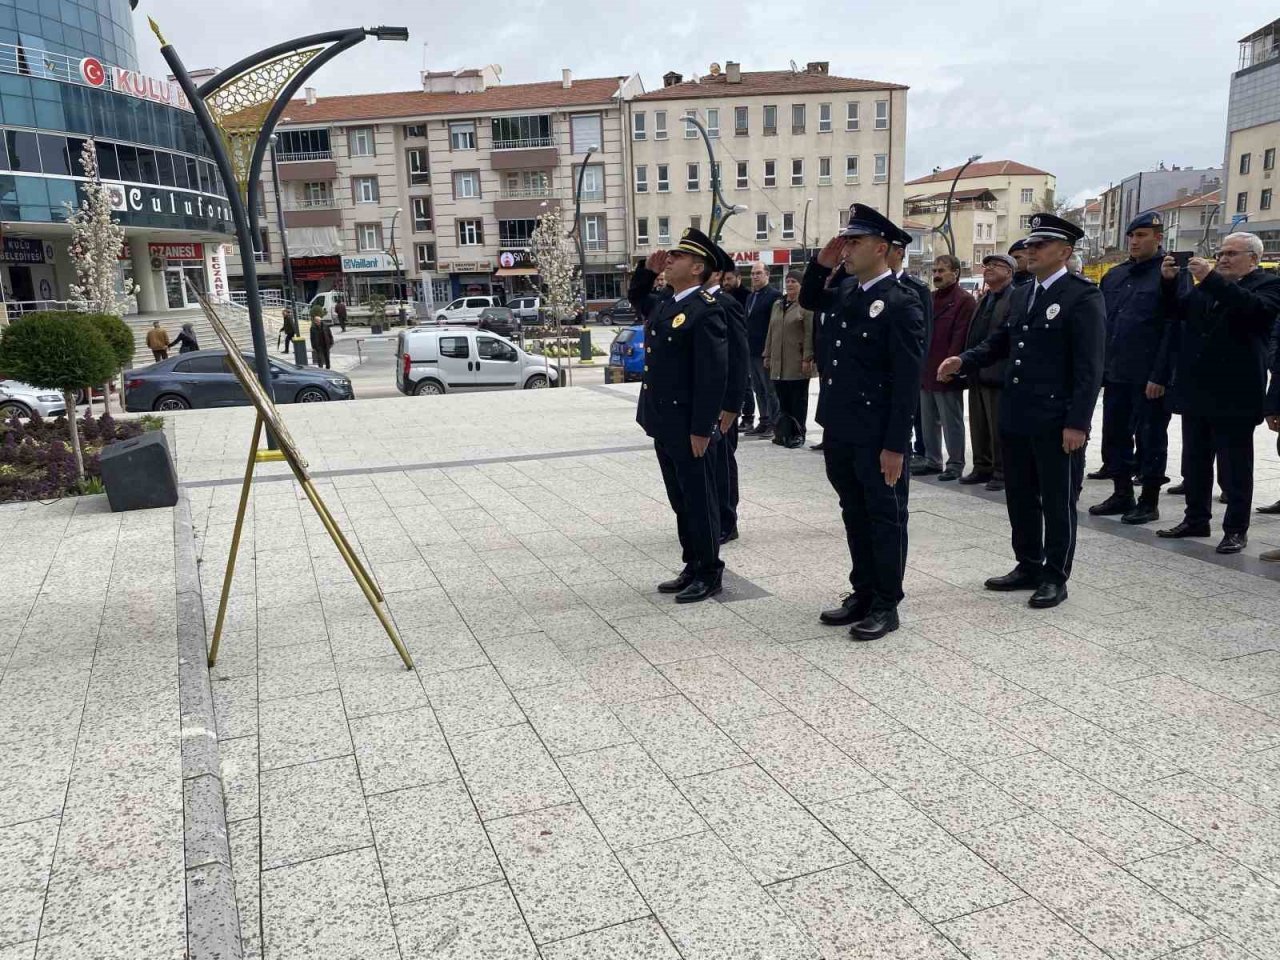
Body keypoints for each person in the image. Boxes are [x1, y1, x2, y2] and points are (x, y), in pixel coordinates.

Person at [938, 213, 1105, 609]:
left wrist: (1078, 423)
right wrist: (964, 360)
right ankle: (1028, 563)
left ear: (1064, 252)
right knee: (1021, 495)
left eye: (1040, 245)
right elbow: (1001, 341)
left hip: (1055, 418)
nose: (1030, 250)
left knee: (1057, 498)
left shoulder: (1082, 295)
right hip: (1017, 414)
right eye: (1029, 245)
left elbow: (1089, 367)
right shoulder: (1023, 292)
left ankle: (1055, 575)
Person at [801, 203, 925, 641]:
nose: (846, 248)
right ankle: (863, 590)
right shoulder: (847, 292)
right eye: (846, 240)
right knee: (853, 512)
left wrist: (895, 445)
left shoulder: (901, 302)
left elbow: (907, 382)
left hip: (877, 435)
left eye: (855, 241)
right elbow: (810, 299)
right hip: (841, 427)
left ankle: (887, 602)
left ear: (882, 248)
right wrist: (821, 264)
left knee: (886, 516)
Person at [1155, 233, 1280, 554]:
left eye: (1232, 254)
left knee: (1235, 466)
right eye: (1220, 253)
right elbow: (1176, 312)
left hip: (1236, 394)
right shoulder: (1205, 288)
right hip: (1197, 390)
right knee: (1195, 461)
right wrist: (1170, 283)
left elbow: (1255, 310)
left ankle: (1236, 529)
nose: (1223, 259)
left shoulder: (1267, 285)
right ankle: (1196, 518)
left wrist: (1210, 279)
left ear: (1253, 259)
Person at [636, 227, 728, 603]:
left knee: (700, 499)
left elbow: (713, 373)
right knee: (680, 499)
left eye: (678, 256)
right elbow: (639, 297)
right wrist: (645, 270)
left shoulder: (706, 309)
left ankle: (709, 572)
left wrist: (703, 426)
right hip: (664, 421)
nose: (669, 259)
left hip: (690, 425)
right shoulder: (668, 303)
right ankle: (691, 564)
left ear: (697, 268)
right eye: (670, 255)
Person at [1088, 212, 1186, 524]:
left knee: (1151, 437)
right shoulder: (1115, 275)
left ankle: (1149, 500)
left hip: (1149, 375)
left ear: (1159, 238)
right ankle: (1121, 493)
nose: (1134, 241)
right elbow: (1103, 324)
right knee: (1115, 434)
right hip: (1117, 370)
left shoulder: (1171, 274)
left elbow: (1175, 326)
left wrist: (1160, 375)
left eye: (1143, 235)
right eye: (1132, 235)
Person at [915, 254, 975, 481]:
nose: (937, 275)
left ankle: (955, 463)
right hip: (926, 367)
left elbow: (961, 337)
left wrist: (951, 366)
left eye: (942, 271)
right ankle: (932, 460)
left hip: (948, 369)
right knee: (928, 419)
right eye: (935, 271)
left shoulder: (964, 300)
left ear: (956, 273)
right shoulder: (930, 298)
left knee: (951, 420)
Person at [705, 245, 750, 544]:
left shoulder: (727, 303)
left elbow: (738, 357)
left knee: (722, 461)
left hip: (723, 403)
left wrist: (733, 404)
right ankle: (712, 517)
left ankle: (726, 519)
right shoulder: (699, 302)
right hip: (705, 399)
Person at [961, 254, 1016, 490]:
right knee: (978, 423)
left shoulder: (1014, 297)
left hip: (998, 373)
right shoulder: (986, 298)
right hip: (977, 371)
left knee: (997, 427)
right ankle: (982, 466)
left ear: (1010, 272)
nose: (989, 269)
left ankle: (1001, 471)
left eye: (996, 266)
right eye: (987, 265)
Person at [887, 234, 933, 465]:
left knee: (913, 411)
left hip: (907, 363)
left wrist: (920, 367)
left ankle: (920, 450)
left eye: (889, 248)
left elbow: (925, 334)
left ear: (899, 253)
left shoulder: (916, 289)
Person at [763, 270, 815, 449]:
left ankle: (798, 434)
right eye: (788, 281)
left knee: (798, 401)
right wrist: (767, 354)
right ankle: (784, 432)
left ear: (801, 285)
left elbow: (809, 333)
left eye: (794, 281)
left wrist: (807, 357)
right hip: (778, 362)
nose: (790, 284)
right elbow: (771, 331)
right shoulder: (777, 304)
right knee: (782, 400)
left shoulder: (806, 305)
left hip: (797, 361)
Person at [743, 262, 782, 436]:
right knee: (757, 388)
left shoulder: (774, 296)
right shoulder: (751, 297)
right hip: (751, 349)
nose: (754, 276)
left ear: (767, 275)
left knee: (769, 389)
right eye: (752, 274)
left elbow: (775, 325)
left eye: (758, 273)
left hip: (765, 350)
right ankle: (764, 420)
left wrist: (770, 350)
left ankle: (774, 423)